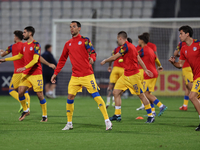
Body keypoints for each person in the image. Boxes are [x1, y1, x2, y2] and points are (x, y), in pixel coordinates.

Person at [51, 21, 112, 131]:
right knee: (70, 97)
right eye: (70, 27)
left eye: (74, 26)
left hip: (87, 75)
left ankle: (107, 121)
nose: (71, 28)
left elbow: (93, 52)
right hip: (75, 76)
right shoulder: (68, 44)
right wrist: (55, 73)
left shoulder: (85, 40)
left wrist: (92, 59)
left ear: (79, 28)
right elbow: (62, 60)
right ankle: (69, 123)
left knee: (96, 96)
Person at [101, 31, 155, 123]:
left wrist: (105, 61)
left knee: (141, 95)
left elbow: (115, 57)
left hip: (134, 76)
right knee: (115, 92)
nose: (117, 41)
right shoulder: (132, 46)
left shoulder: (125, 46)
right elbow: (139, 58)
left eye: (118, 39)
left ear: (120, 38)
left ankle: (151, 115)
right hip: (125, 75)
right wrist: (145, 69)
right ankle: (117, 115)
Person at [0, 26, 48, 122]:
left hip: (35, 73)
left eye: (25, 32)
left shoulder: (36, 44)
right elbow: (19, 56)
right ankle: (25, 110)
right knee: (21, 92)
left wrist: (25, 67)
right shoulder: (24, 45)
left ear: (30, 33)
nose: (23, 34)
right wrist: (5, 59)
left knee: (39, 95)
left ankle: (44, 115)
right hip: (26, 74)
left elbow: (35, 59)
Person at [169, 25, 200, 131]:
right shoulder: (183, 48)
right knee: (196, 97)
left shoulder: (198, 44)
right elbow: (180, 65)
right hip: (196, 76)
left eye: (181, 33)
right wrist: (174, 63)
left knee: (192, 96)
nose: (179, 36)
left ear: (187, 34)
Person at [137, 33, 167, 117]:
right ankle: (153, 112)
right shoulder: (150, 49)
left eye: (139, 40)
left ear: (142, 41)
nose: (138, 41)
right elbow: (156, 59)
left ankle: (161, 105)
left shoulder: (142, 50)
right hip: (154, 73)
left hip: (148, 74)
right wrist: (160, 66)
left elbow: (136, 57)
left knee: (145, 94)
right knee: (147, 93)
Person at [106, 37, 132, 108]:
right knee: (118, 88)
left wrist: (109, 66)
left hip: (115, 69)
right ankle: (115, 102)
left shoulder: (115, 49)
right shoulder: (126, 48)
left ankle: (107, 102)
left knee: (110, 86)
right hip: (123, 69)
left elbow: (112, 58)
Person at [174, 41, 193, 111]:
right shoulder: (194, 43)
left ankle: (196, 102)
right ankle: (185, 105)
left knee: (190, 87)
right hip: (194, 66)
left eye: (181, 34)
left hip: (186, 66)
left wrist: (181, 55)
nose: (180, 36)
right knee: (188, 86)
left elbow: (175, 53)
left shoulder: (181, 43)